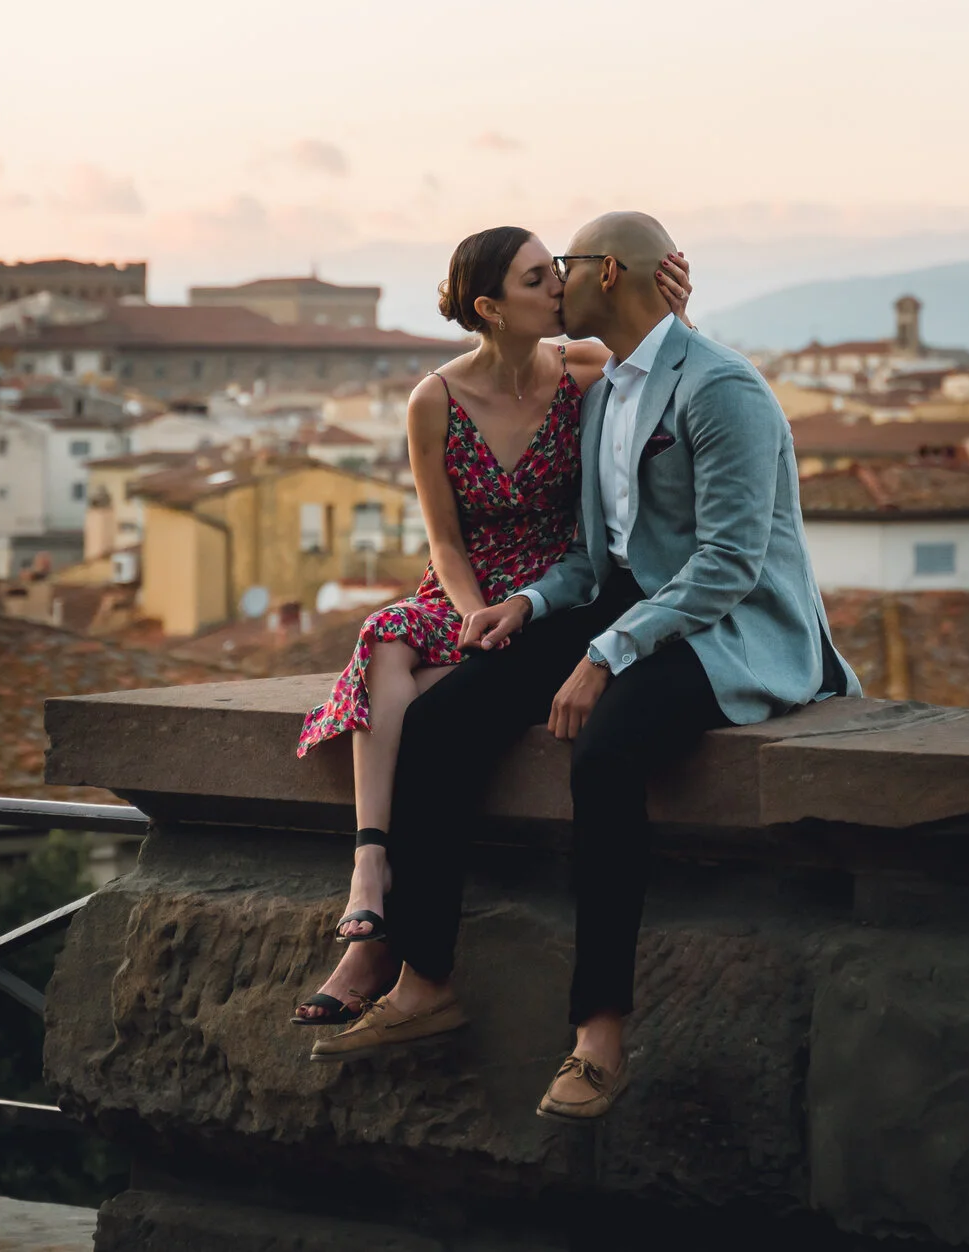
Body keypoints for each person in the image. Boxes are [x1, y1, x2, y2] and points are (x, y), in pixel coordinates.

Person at [310, 211, 859, 1125]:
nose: (556, 281)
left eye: (563, 266)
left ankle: (600, 1033)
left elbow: (729, 565)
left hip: (726, 628)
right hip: (623, 608)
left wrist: (607, 653)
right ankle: (425, 978)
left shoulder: (723, 388)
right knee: (441, 721)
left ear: (606, 273)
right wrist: (529, 606)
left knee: (605, 752)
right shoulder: (600, 393)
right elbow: (595, 557)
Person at [288, 227, 686, 1029]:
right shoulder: (434, 399)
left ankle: (381, 929)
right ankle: (369, 864)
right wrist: (472, 614)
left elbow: (669, 382)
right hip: (470, 586)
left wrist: (673, 308)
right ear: (490, 307)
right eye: (538, 279)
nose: (559, 286)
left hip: (561, 587)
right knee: (385, 636)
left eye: (556, 271)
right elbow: (443, 538)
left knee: (423, 697)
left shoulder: (584, 370)